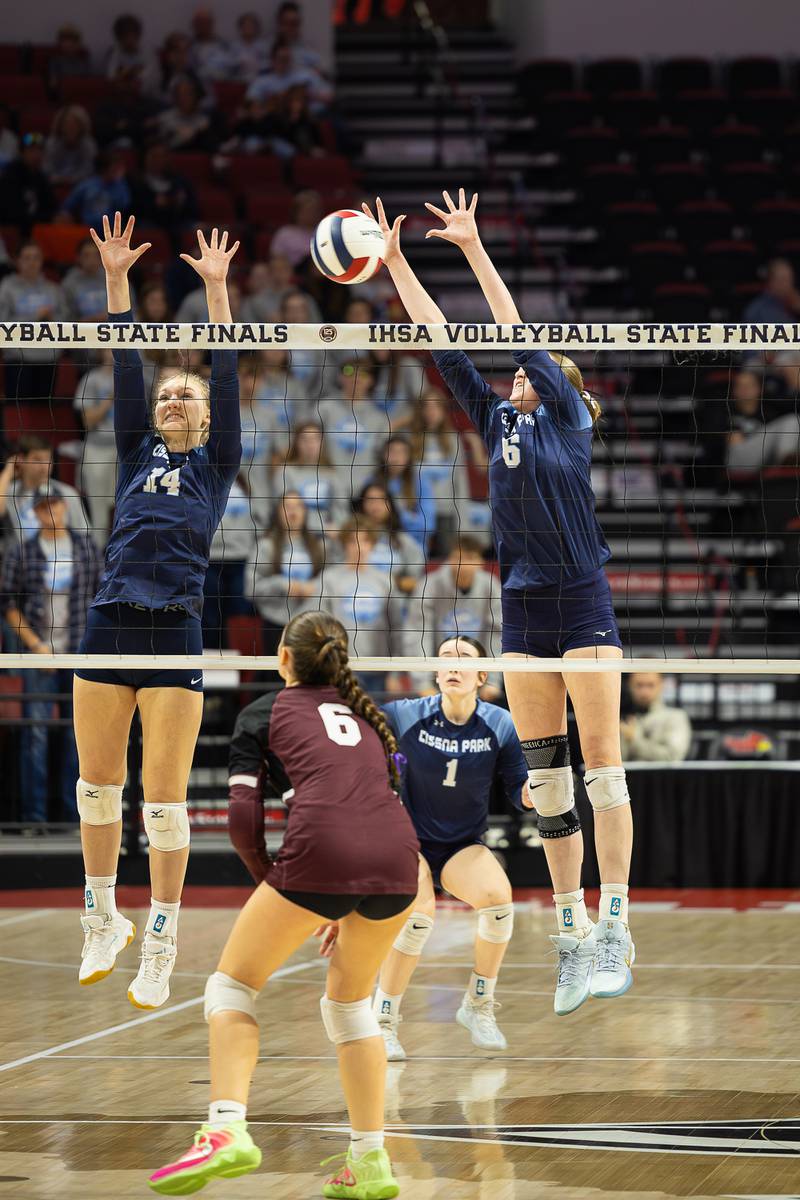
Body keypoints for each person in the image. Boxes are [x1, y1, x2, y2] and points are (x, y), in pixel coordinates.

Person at [367, 190, 634, 1016]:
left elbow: (514, 328)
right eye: (515, 373)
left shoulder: (565, 421)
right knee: (549, 782)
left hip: (582, 596)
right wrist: (399, 260)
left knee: (602, 765)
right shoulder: (496, 418)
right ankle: (571, 936)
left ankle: (615, 923)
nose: (516, 373)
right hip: (522, 609)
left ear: (563, 391)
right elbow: (443, 340)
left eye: (532, 372)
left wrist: (476, 248)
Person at [148, 611, 418, 1199]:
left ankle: (225, 1131)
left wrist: (281, 885)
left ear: (285, 659)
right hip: (401, 861)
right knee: (351, 1009)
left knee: (231, 988)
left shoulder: (263, 711)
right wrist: (333, 901)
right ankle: (370, 1161)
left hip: (322, 853)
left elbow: (245, 824)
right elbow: (375, 805)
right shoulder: (370, 716)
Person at [72, 212, 240, 1010]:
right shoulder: (137, 447)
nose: (173, 399)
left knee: (164, 803)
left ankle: (164, 938)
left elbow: (229, 368)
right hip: (109, 622)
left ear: (206, 416)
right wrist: (116, 281)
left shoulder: (217, 464)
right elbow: (125, 360)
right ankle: (102, 918)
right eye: (169, 394)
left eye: (187, 395)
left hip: (175, 628)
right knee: (97, 790)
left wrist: (216, 292)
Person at [373, 635, 527, 1058]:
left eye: (463, 659)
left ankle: (478, 1005)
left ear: (482, 675)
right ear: (435, 672)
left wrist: (533, 794)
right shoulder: (403, 716)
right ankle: (383, 1019)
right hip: (409, 842)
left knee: (498, 903)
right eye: (445, 659)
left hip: (462, 845)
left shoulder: (500, 724)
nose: (452, 666)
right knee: (418, 918)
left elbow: (517, 790)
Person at [1, 481, 100, 823]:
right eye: (44, 507)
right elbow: (8, 605)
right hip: (37, 654)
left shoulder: (86, 547)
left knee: (80, 736)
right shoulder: (22, 551)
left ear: (64, 506)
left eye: (56, 505)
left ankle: (76, 818)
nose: (52, 511)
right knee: (37, 733)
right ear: (35, 512)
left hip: (78, 653)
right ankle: (35, 818)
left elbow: (101, 597)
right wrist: (36, 646)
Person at [404, 533, 502, 698]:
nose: (462, 564)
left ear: (481, 563)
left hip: (475, 669)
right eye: (457, 557)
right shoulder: (429, 585)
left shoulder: (491, 586)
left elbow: (497, 633)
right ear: (449, 559)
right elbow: (418, 633)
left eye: (470, 558)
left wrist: (492, 680)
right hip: (438, 672)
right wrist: (423, 682)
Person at [246, 490, 324, 653]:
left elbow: (332, 581)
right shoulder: (266, 546)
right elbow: (250, 589)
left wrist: (314, 587)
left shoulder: (319, 546)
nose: (293, 511)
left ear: (305, 512)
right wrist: (282, 585)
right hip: (274, 624)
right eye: (287, 506)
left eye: (298, 506)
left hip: (310, 624)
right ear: (278, 512)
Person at [0, 242, 67, 402]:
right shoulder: (7, 287)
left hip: (48, 359)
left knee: (44, 413)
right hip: (18, 360)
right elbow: (3, 322)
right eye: (27, 258)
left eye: (36, 258)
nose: (32, 262)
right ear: (17, 261)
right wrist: (34, 317)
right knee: (17, 414)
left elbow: (66, 320)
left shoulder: (53, 289)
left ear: (42, 261)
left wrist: (52, 318)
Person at [0, 435, 88, 547]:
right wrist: (8, 472)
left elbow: (84, 536)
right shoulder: (9, 491)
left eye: (48, 459)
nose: (44, 466)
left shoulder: (67, 493)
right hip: (23, 560)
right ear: (21, 460)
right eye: (37, 460)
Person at [73, 350, 117, 546]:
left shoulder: (140, 376)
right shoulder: (91, 379)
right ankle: (98, 564)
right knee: (99, 517)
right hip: (97, 450)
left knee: (126, 511)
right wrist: (111, 398)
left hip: (128, 452)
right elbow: (88, 421)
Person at [621, 673, 692, 763]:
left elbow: (672, 756)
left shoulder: (675, 717)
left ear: (662, 685)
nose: (644, 692)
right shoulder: (621, 719)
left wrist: (633, 740)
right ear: (630, 686)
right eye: (639, 685)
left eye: (650, 685)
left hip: (663, 776)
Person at [60, 149, 132, 230]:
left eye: (120, 168)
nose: (119, 170)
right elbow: (67, 207)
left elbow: (126, 207)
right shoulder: (87, 185)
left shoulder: (121, 187)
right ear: (106, 167)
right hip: (88, 230)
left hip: (112, 232)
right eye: (116, 166)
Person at [0, 132, 56, 233]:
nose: (36, 154)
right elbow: (11, 212)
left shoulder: (41, 177)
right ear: (22, 153)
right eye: (31, 150)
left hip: (36, 229)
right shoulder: (11, 175)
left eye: (39, 150)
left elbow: (51, 208)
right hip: (13, 231)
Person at [42, 106, 97, 185]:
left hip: (81, 184)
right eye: (66, 124)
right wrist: (58, 178)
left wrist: (72, 179)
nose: (70, 128)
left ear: (81, 126)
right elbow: (47, 167)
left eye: (74, 125)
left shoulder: (89, 144)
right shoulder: (52, 143)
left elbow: (89, 169)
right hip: (54, 183)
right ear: (60, 126)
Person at [269, 189, 322, 267]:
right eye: (306, 210)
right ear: (296, 212)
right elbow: (276, 259)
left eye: (313, 210)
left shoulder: (325, 232)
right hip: (290, 271)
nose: (310, 214)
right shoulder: (284, 233)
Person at [743, 257, 800, 325]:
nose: (788, 285)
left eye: (789, 279)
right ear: (771, 281)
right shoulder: (757, 310)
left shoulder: (794, 304)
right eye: (783, 280)